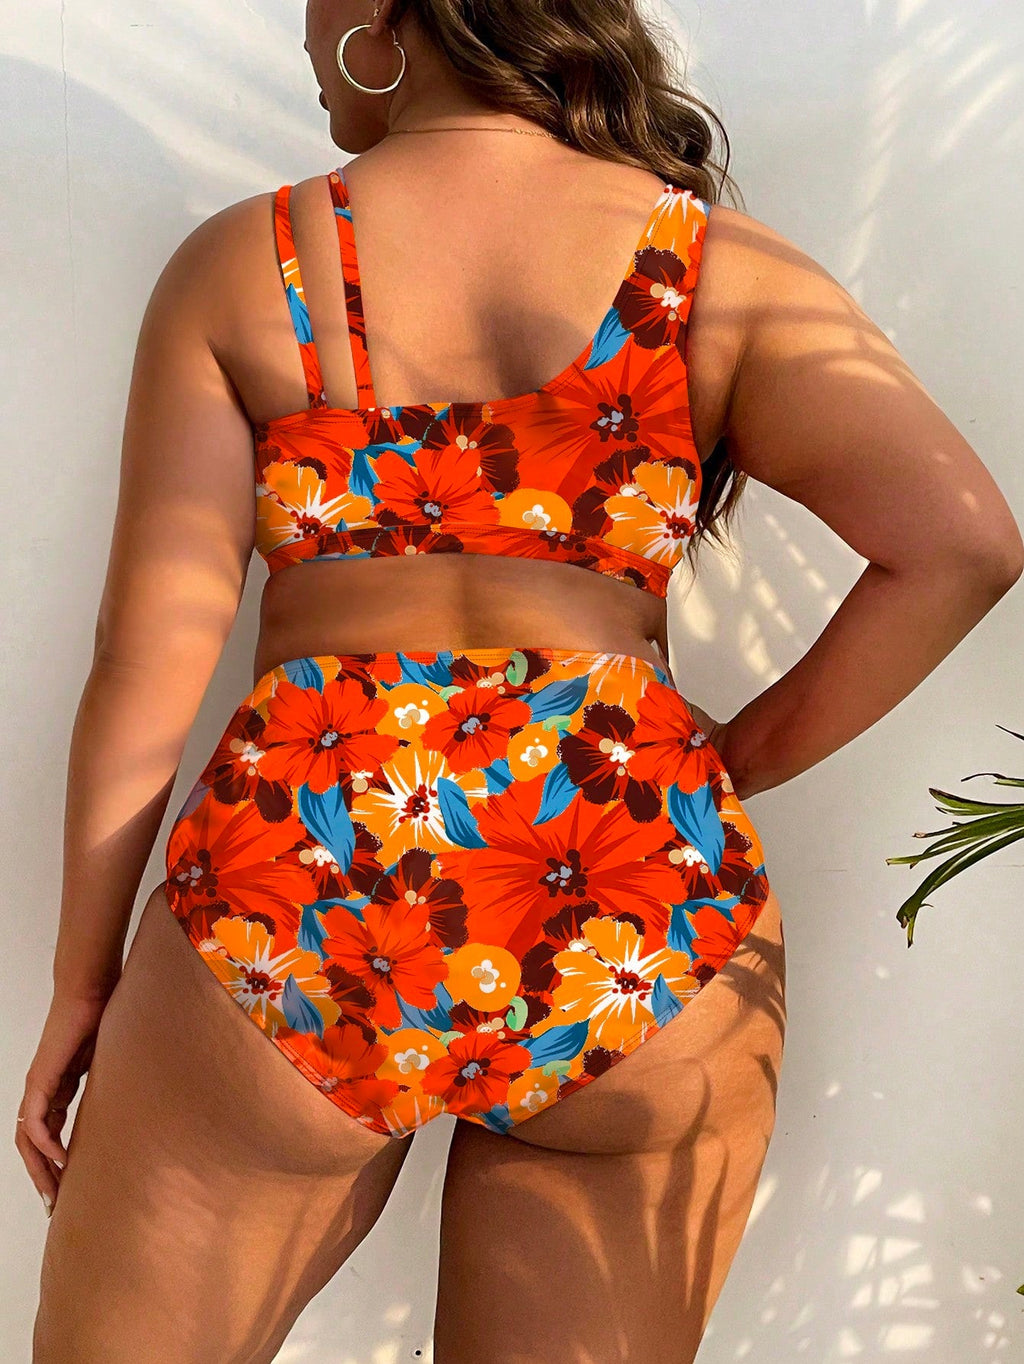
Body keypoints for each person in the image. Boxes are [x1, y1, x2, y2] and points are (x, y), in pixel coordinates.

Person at [18, 1, 1023, 1360]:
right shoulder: (711, 265)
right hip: (631, 879)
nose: (303, 37)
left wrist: (82, 987)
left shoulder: (250, 263)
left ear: (385, 12)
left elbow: (147, 661)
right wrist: (730, 760)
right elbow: (962, 543)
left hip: (309, 876)